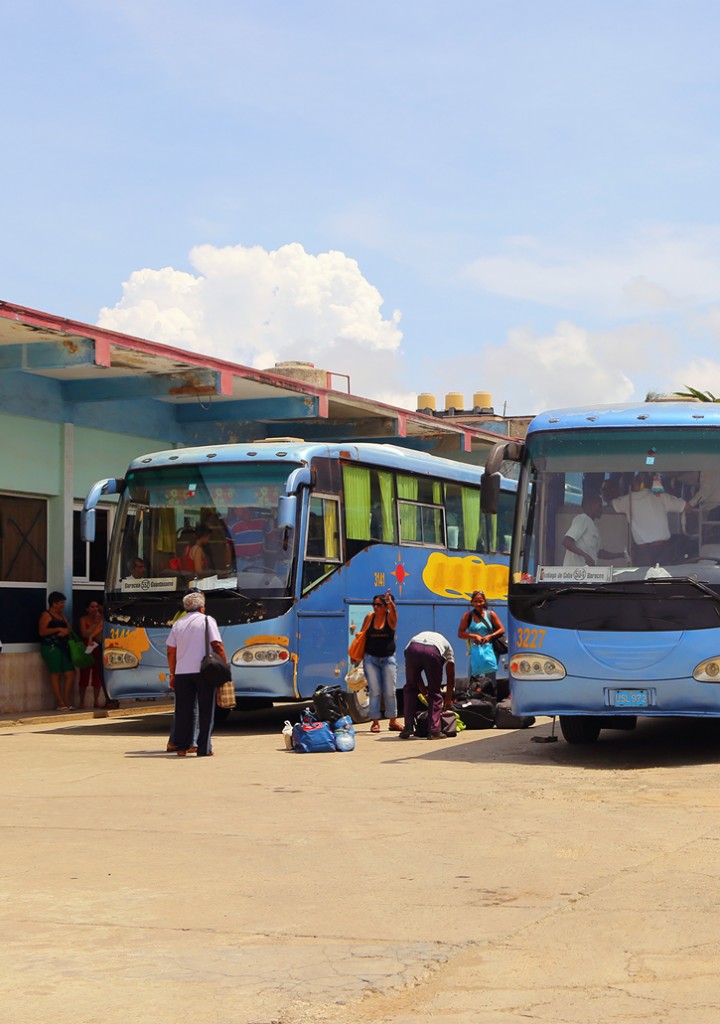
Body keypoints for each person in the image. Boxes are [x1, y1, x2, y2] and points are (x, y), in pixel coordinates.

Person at [166, 591, 227, 757]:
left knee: (184, 711)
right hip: (204, 672)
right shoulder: (207, 620)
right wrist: (224, 666)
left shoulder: (178, 624)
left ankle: (181, 747)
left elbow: (171, 651)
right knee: (206, 710)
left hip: (182, 673)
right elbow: (217, 645)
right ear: (202, 607)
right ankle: (203, 748)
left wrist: (172, 673)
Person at [612, 473, 693, 566]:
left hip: (642, 552)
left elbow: (612, 504)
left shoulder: (627, 499)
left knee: (642, 579)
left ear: (635, 483)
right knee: (663, 578)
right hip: (662, 549)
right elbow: (686, 506)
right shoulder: (661, 496)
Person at [359, 590, 402, 733]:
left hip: (388, 659)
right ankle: (375, 722)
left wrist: (391, 603)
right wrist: (356, 655)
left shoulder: (391, 619)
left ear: (386, 607)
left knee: (390, 690)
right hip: (371, 658)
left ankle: (393, 721)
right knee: (375, 691)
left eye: (379, 605)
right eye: (374, 604)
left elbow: (395, 615)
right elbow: (361, 636)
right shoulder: (369, 617)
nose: (375, 607)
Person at [400, 631, 455, 740]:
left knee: (410, 688)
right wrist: (448, 698)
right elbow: (450, 675)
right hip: (433, 651)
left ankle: (408, 727)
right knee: (435, 692)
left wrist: (424, 691)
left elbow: (416, 676)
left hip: (413, 649)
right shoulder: (448, 648)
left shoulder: (416, 638)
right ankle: (434, 731)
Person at [562, 494, 624, 566]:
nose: (602, 510)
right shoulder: (582, 519)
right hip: (573, 572)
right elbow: (566, 541)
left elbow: (599, 553)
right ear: (589, 506)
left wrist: (620, 555)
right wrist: (586, 556)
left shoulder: (594, 528)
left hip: (587, 573)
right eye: (599, 506)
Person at [38, 591, 75, 710]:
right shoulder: (47, 615)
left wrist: (66, 631)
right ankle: (60, 702)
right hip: (51, 647)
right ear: (54, 603)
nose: (62, 605)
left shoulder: (62, 615)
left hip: (63, 646)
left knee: (70, 673)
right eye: (61, 603)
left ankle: (67, 700)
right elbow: (42, 631)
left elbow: (69, 628)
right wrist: (57, 629)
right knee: (56, 673)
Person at [457, 591, 502, 684]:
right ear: (472, 603)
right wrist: (474, 636)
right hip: (475, 650)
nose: (478, 604)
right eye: (476, 601)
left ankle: (490, 695)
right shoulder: (467, 616)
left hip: (490, 650)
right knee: (473, 675)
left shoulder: (491, 614)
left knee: (490, 676)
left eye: (481, 601)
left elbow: (501, 629)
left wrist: (490, 636)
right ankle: (473, 695)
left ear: (484, 602)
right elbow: (460, 633)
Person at [78, 599, 104, 708]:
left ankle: (96, 700)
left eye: (96, 607)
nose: (95, 609)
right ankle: (82, 701)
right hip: (87, 647)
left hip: (97, 647)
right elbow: (84, 633)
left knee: (97, 675)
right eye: (92, 607)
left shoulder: (101, 620)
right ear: (87, 609)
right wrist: (94, 625)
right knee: (84, 674)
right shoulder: (83, 620)